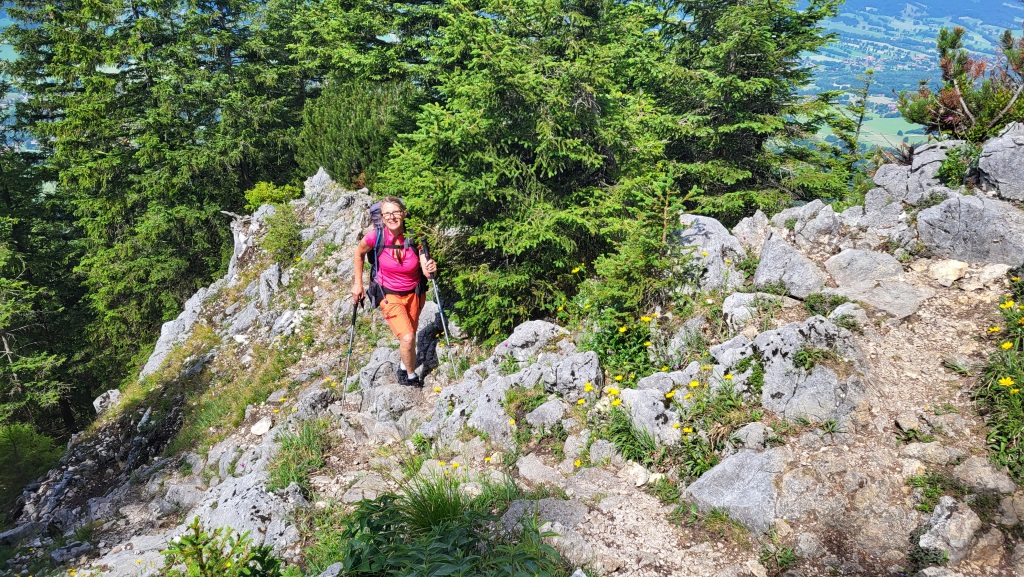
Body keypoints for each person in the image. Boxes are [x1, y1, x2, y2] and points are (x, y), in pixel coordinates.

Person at [351, 196, 437, 386]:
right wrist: (357, 283)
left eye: (396, 212)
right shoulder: (376, 236)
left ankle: (402, 365)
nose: (391, 217)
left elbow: (426, 271)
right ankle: (410, 375)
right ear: (381, 217)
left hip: (415, 293)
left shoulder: (415, 235)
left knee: (411, 334)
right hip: (388, 293)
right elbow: (359, 253)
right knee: (407, 337)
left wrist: (430, 269)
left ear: (404, 214)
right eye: (387, 213)